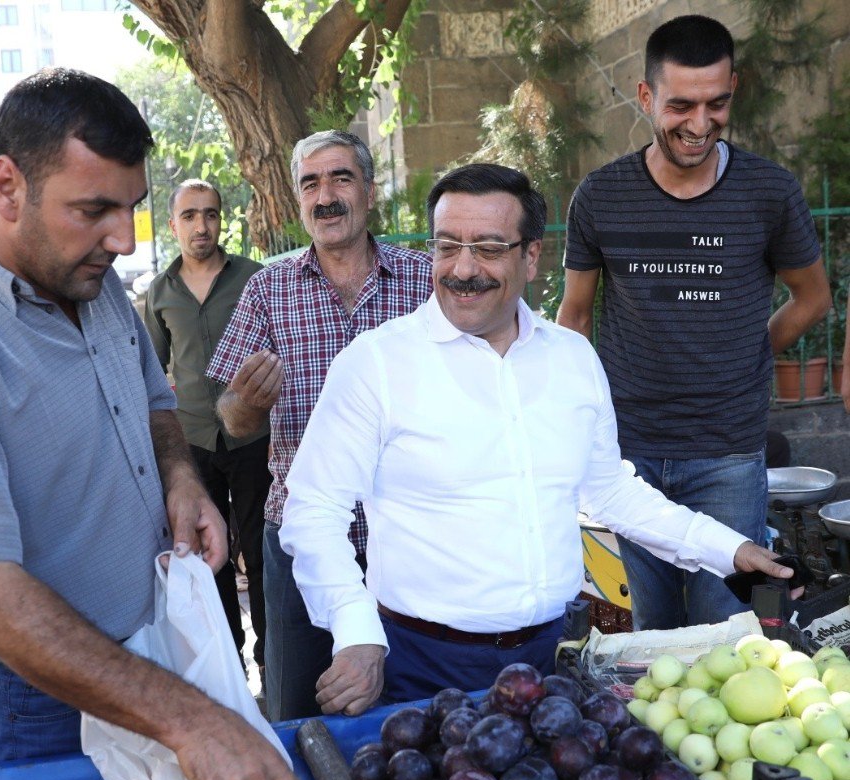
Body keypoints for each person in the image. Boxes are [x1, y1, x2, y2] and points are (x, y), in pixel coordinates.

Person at [0, 69, 311, 780]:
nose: (124, 239)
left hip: (143, 648)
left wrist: (181, 482)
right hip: (28, 699)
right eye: (94, 209)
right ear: (8, 186)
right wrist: (191, 718)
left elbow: (157, 403)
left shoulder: (92, 280)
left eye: (131, 208)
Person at [279, 162, 794, 714]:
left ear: (531, 256)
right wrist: (356, 632)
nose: (462, 268)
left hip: (555, 664)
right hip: (419, 668)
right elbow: (313, 510)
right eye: (447, 245)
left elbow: (610, 492)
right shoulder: (375, 365)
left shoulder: (573, 360)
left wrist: (728, 549)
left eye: (488, 248)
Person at [557, 15, 831, 630]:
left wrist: (747, 353)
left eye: (717, 103)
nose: (700, 124)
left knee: (732, 633)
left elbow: (812, 299)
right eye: (681, 105)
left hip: (729, 452)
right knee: (654, 634)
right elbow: (573, 317)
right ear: (646, 95)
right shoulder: (600, 196)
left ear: (732, 87)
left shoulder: (769, 191)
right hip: (630, 456)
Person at [206, 130, 432, 722]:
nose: (326, 196)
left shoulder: (425, 281)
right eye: (311, 183)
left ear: (370, 192)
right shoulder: (268, 289)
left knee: (415, 708)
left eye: (341, 179)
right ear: (297, 200)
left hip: (410, 534)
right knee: (303, 709)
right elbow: (229, 416)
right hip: (300, 540)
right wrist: (250, 404)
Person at [144, 180, 270, 687]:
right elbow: (151, 375)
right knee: (207, 559)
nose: (202, 226)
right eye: (191, 216)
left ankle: (272, 663)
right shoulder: (159, 293)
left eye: (212, 214)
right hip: (193, 444)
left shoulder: (254, 279)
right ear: (173, 224)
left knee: (263, 554)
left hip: (254, 436)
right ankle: (229, 673)